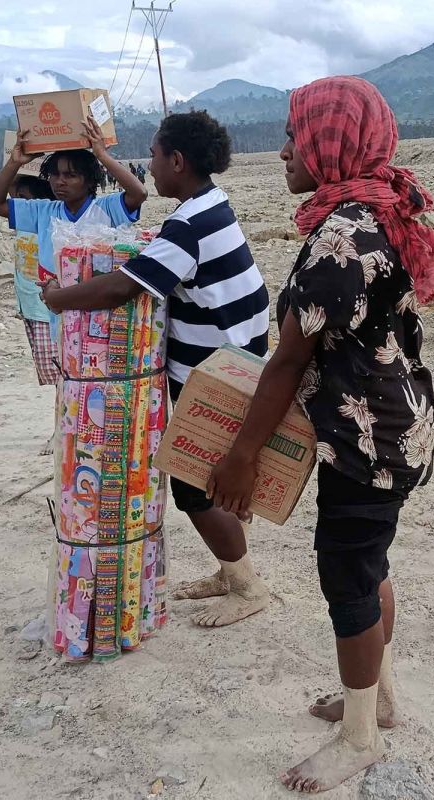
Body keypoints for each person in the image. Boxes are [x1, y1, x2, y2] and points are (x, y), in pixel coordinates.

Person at [209, 76, 434, 794]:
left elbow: (289, 358)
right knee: (370, 565)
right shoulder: (378, 210)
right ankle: (376, 699)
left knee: (347, 578)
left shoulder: (341, 237)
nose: (286, 151)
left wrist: (241, 454)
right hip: (398, 423)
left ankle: (360, 738)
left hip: (365, 438)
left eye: (298, 136)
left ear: (333, 142)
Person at [40, 111, 273, 629]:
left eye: (151, 155)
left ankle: (247, 586)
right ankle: (229, 568)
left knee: (195, 485)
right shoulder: (211, 205)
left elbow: (124, 287)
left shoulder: (186, 224)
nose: (148, 165)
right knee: (213, 477)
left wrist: (59, 299)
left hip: (214, 373)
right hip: (241, 357)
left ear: (176, 161)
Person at [0, 118, 147, 451]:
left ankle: (107, 436)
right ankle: (68, 433)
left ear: (89, 181)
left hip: (103, 311)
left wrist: (102, 154)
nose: (61, 181)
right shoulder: (44, 211)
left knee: (105, 377)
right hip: (60, 314)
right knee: (68, 375)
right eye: (56, 174)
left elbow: (138, 192)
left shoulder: (105, 208)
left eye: (71, 174)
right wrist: (15, 163)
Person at [8, 175, 62, 452]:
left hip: (45, 309)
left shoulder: (47, 224)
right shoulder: (23, 224)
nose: (19, 205)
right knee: (56, 377)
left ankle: (60, 432)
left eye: (24, 198)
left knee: (61, 377)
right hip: (30, 307)